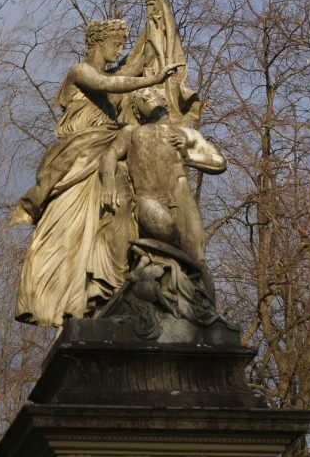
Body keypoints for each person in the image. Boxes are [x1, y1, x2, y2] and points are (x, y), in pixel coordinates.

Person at [9, 19, 183, 327]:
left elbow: (132, 65)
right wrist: (150, 78)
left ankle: (91, 298)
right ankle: (57, 301)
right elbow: (109, 85)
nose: (119, 50)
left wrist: (153, 24)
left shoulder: (111, 75)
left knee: (103, 227)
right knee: (65, 234)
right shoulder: (80, 72)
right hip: (76, 160)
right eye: (115, 44)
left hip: (101, 156)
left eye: (121, 44)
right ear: (98, 43)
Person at [99, 87, 226, 302]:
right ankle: (172, 277)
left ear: (163, 100)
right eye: (141, 101)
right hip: (148, 198)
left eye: (150, 97)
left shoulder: (188, 134)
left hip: (180, 196)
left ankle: (208, 316)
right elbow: (110, 153)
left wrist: (187, 154)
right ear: (138, 111)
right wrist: (109, 182)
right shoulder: (132, 132)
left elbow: (220, 162)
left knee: (199, 260)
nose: (146, 101)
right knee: (165, 228)